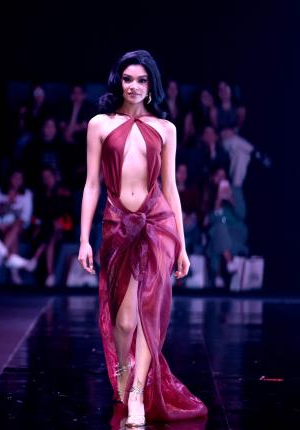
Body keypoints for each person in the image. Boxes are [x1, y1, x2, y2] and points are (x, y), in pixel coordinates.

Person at [77, 50, 207, 426]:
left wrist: (182, 243)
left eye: (142, 80)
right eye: (128, 79)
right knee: (123, 322)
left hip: (157, 224)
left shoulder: (166, 129)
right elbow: (90, 184)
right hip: (118, 223)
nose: (134, 86)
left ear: (152, 85)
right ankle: (123, 369)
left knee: (148, 312)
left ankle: (136, 393)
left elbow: (171, 188)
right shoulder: (100, 124)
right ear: (118, 81)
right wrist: (84, 239)